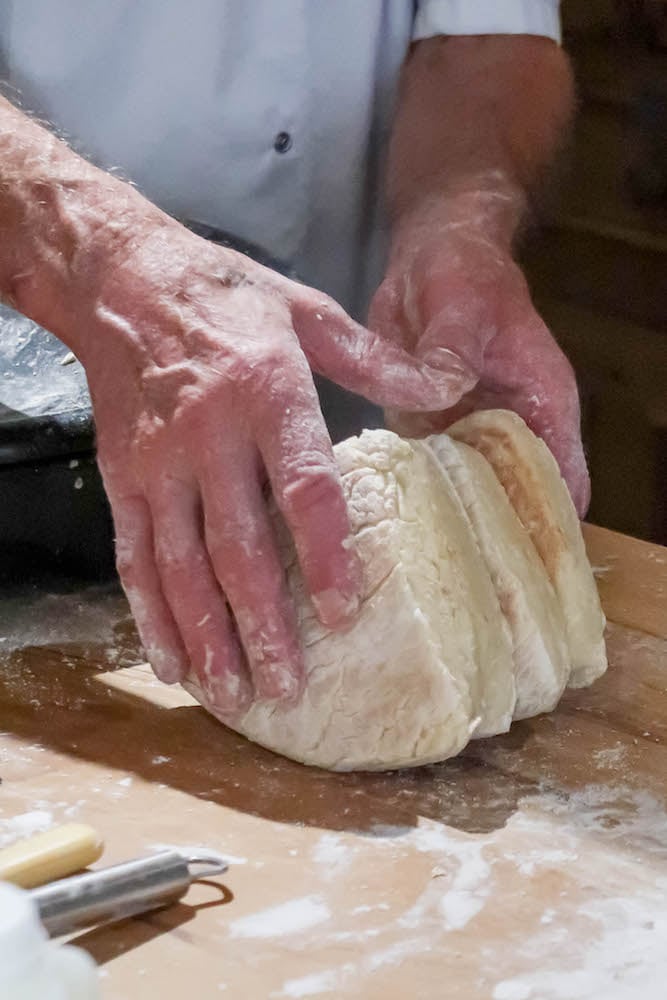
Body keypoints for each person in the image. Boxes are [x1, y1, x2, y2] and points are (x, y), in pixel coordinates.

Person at [0, 1, 588, 715]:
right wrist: (96, 255)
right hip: (28, 378)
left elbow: (486, 35)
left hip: (358, 397)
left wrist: (459, 217)